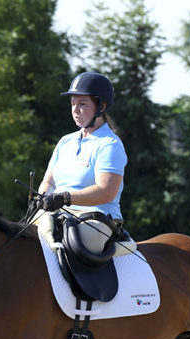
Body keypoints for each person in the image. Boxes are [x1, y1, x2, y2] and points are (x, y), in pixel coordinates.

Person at [37, 71, 128, 254]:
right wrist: (41, 198)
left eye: (82, 104)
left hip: (96, 219)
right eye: (72, 104)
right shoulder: (65, 142)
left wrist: (64, 198)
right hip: (59, 215)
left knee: (74, 247)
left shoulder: (109, 144)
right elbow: (50, 181)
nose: (75, 110)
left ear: (101, 107)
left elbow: (106, 192)